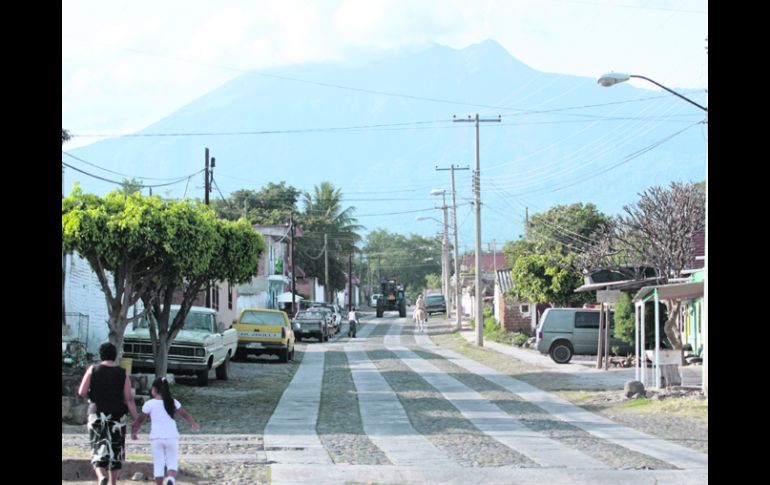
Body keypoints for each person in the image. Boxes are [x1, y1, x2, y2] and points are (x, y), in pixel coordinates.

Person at [78, 342, 139, 485]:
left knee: (97, 446)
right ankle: (113, 482)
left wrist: (92, 397)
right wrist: (136, 419)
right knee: (115, 450)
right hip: (117, 415)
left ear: (101, 355)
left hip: (97, 413)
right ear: (115, 355)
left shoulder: (93, 369)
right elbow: (129, 399)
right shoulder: (122, 373)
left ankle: (101, 477)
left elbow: (81, 391)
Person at [132, 377, 200, 485]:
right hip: (171, 436)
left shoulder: (150, 404)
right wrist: (193, 424)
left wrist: (134, 431)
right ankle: (170, 479)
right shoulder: (173, 402)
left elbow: (140, 420)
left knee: (158, 463)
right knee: (172, 461)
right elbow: (185, 415)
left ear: (154, 389)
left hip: (156, 437)